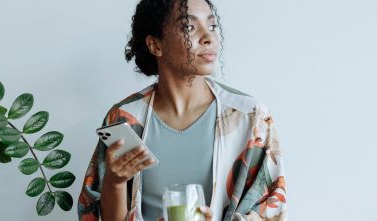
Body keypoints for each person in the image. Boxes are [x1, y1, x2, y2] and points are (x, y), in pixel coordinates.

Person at [77, 0, 288, 220]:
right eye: (189, 27)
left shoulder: (250, 118)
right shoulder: (124, 119)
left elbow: (272, 210)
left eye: (212, 26)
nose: (209, 37)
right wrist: (114, 181)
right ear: (155, 45)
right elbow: (97, 214)